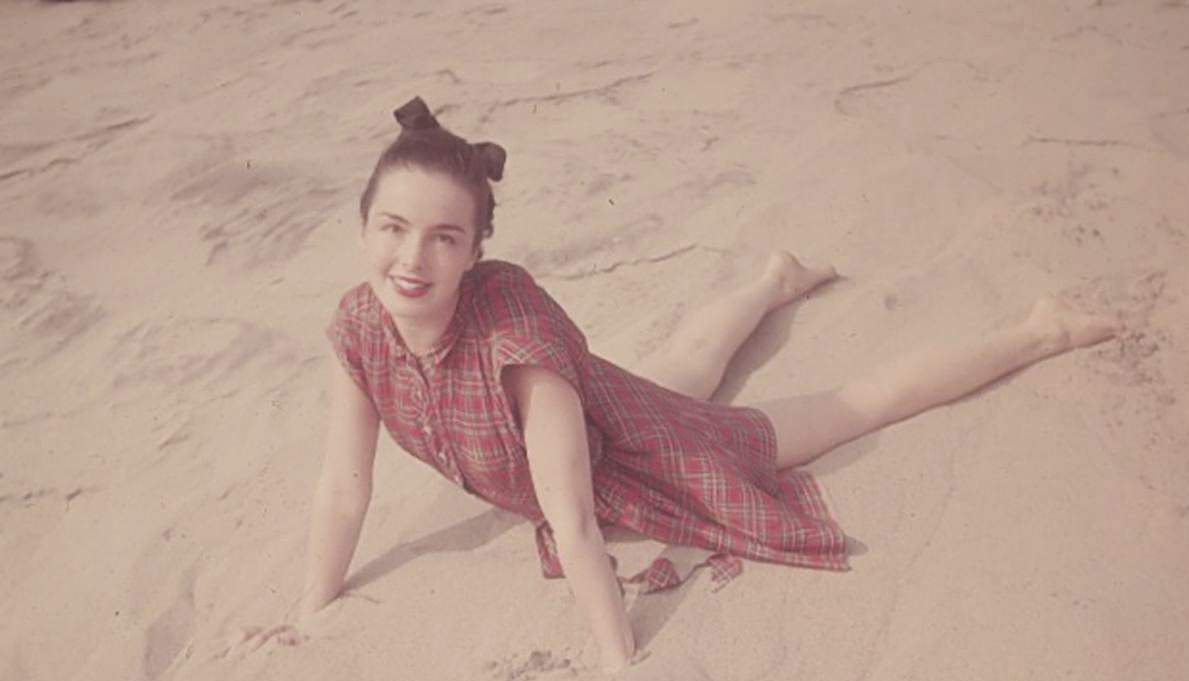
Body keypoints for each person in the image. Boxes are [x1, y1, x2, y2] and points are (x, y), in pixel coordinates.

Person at [287, 97, 1119, 674]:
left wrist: (618, 658)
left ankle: (1037, 328)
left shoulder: (518, 342)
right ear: (363, 230)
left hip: (636, 445)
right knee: (687, 359)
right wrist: (310, 614)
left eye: (443, 237)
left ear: (474, 252)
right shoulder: (358, 325)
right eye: (393, 228)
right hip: (603, 412)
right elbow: (343, 488)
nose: (411, 258)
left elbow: (574, 519)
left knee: (848, 408)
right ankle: (773, 281)